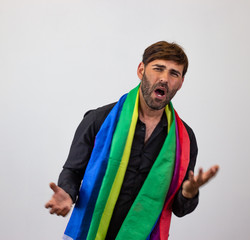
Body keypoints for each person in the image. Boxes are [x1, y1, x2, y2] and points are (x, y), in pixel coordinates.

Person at [45, 41, 219, 240]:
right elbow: (73, 171)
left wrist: (188, 192)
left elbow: (179, 208)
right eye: (158, 69)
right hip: (89, 233)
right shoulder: (98, 120)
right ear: (141, 70)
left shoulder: (184, 140)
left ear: (181, 83)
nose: (164, 78)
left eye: (174, 73)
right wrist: (67, 193)